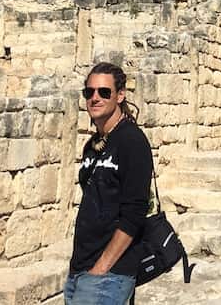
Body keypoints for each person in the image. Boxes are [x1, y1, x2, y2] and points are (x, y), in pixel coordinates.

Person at [66, 62, 154, 305]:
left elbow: (134, 212)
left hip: (110, 273)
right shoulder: (92, 145)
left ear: (120, 95)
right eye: (89, 92)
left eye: (104, 92)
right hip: (80, 268)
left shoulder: (132, 142)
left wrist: (101, 268)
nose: (95, 98)